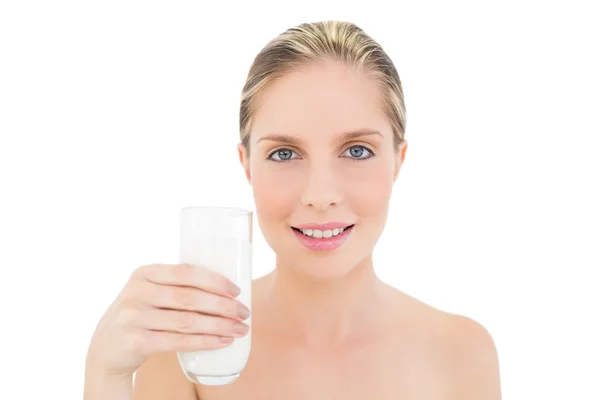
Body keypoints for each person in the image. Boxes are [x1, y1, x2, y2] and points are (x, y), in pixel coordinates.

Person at [84, 20, 501, 399]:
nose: (320, 195)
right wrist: (105, 373)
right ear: (247, 165)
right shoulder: (189, 355)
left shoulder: (461, 354)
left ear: (399, 161)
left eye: (357, 150)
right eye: (285, 154)